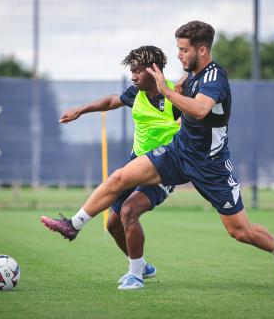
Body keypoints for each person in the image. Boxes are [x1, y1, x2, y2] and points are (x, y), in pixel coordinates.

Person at [42, 21, 274, 289]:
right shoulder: (188, 79)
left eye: (183, 50)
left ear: (201, 50)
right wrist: (83, 110)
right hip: (178, 152)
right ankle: (74, 225)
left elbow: (200, 110)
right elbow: (125, 99)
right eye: (178, 49)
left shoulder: (214, 78)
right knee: (120, 179)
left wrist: (166, 91)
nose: (179, 55)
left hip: (211, 165)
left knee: (240, 232)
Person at [43, 46, 181, 290]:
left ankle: (135, 276)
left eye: (138, 71)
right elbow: (110, 101)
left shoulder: (174, 95)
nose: (133, 76)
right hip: (137, 163)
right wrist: (81, 110)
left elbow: (197, 115)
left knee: (129, 212)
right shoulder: (135, 93)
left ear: (154, 70)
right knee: (112, 224)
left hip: (163, 169)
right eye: (132, 71)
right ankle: (141, 265)